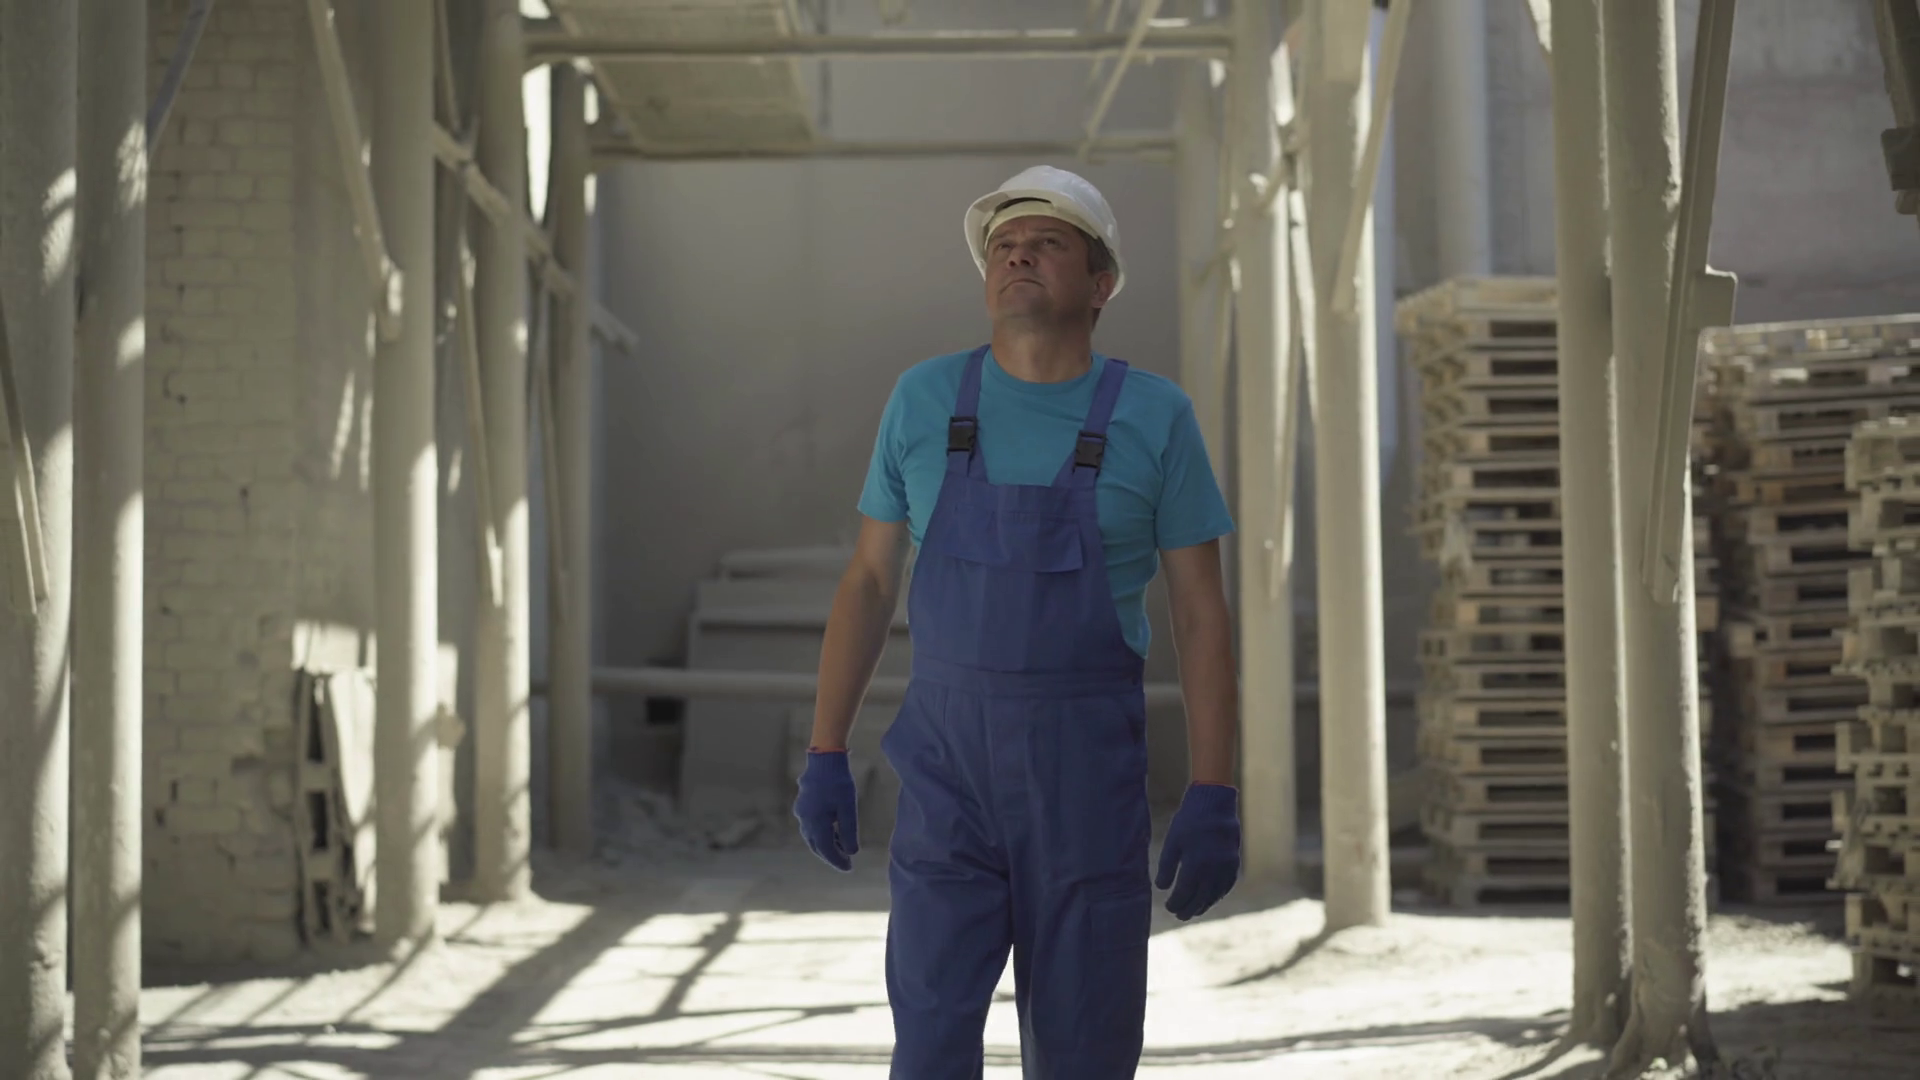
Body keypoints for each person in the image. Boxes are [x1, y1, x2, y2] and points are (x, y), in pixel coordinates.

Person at [792, 165, 1242, 1078]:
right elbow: (870, 582)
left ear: (1101, 283)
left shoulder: (1155, 417)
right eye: (1003, 246)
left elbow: (1201, 615)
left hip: (1086, 782)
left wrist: (1215, 788)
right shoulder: (923, 400)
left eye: (1048, 244)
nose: (1018, 256)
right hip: (946, 776)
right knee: (928, 1047)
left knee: (1083, 1052)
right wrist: (826, 749)